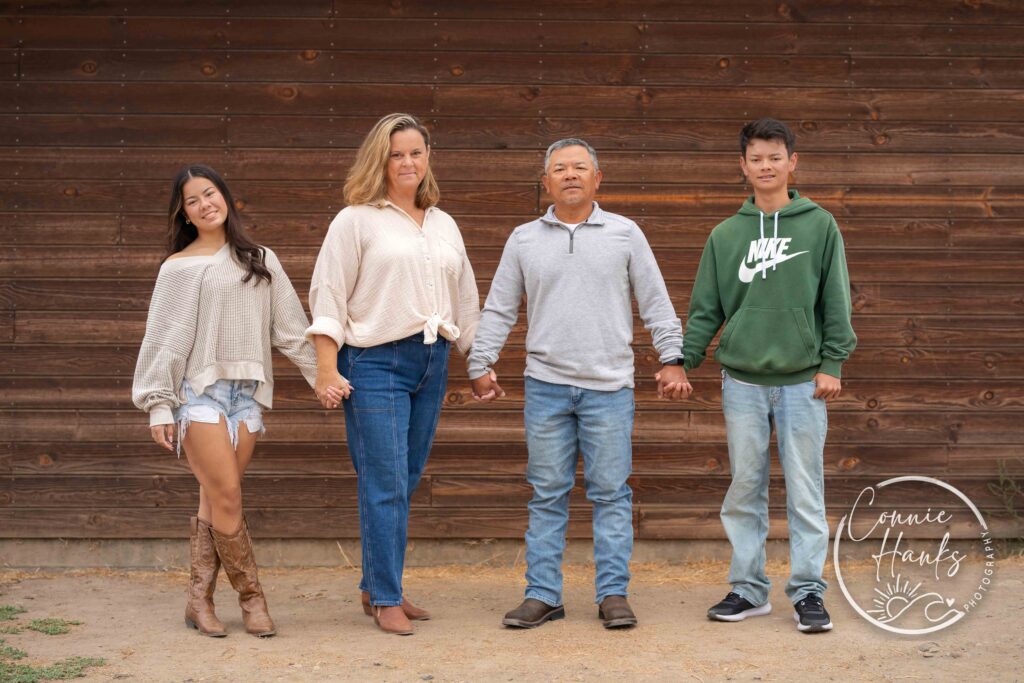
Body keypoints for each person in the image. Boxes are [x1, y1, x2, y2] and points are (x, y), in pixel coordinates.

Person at [468, 138, 691, 630]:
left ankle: (613, 593)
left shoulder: (625, 234)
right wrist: (480, 362)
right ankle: (543, 594)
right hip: (545, 385)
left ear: (597, 179)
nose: (570, 175)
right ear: (545, 182)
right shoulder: (523, 239)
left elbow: (656, 301)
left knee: (611, 493)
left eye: (579, 167)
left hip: (610, 388)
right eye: (559, 169)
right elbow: (500, 306)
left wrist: (672, 357)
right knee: (547, 493)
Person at [133, 164, 327, 637]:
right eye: (193, 200)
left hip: (248, 396)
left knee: (214, 499)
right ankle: (252, 600)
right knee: (229, 494)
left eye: (211, 193)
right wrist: (159, 402)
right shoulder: (177, 268)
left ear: (226, 197)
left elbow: (289, 329)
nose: (205, 204)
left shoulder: (261, 258)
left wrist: (322, 375)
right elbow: (166, 338)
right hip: (198, 393)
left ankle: (198, 601)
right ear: (184, 212)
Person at [307, 113, 481, 636]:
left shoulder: (443, 222)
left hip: (432, 361)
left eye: (416, 152)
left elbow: (466, 299)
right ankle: (386, 597)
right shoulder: (355, 219)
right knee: (384, 481)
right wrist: (324, 367)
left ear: (428, 159)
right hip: (375, 361)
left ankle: (377, 584)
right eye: (396, 153)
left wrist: (479, 363)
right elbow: (328, 294)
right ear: (378, 159)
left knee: (402, 480)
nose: (407, 162)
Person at [684, 118, 857, 633]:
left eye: (774, 157)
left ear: (792, 162)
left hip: (804, 383)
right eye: (756, 158)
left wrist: (832, 364)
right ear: (743, 166)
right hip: (742, 382)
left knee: (806, 491)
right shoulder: (725, 235)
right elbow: (705, 309)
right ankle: (749, 589)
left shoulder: (819, 225)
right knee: (745, 488)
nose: (765, 166)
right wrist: (682, 359)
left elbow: (836, 301)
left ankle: (808, 592)